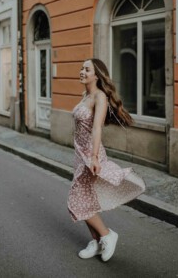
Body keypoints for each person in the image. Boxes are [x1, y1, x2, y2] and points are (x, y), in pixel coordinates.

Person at [67, 58, 145, 262]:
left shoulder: (99, 97)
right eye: (81, 68)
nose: (82, 71)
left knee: (77, 200)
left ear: (97, 75)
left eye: (87, 69)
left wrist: (93, 157)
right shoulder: (85, 95)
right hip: (79, 154)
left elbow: (97, 128)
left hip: (91, 155)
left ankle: (107, 234)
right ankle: (96, 242)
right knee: (86, 198)